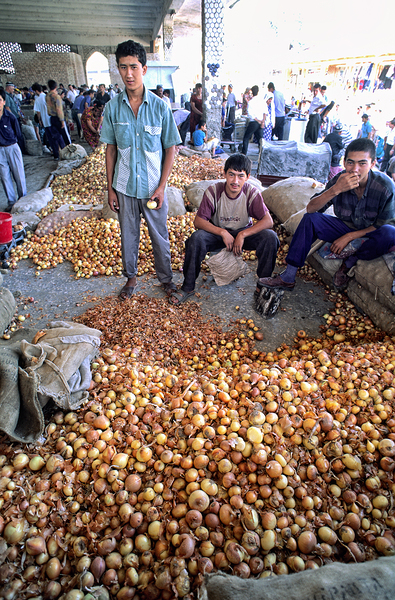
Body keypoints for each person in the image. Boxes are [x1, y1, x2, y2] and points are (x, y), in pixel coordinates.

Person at [100, 39, 181, 300]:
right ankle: (131, 279)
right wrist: (111, 188)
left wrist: (161, 187)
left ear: (144, 69)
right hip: (124, 186)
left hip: (152, 188)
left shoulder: (160, 107)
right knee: (129, 236)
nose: (129, 74)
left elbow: (171, 148)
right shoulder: (113, 107)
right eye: (123, 67)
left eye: (134, 67)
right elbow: (110, 150)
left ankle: (166, 279)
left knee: (160, 236)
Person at [258, 138, 395, 293]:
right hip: (345, 226)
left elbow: (384, 225)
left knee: (389, 233)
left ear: (372, 164)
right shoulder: (339, 180)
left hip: (371, 232)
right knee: (310, 220)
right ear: (344, 162)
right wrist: (335, 190)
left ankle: (349, 262)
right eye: (350, 162)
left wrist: (349, 237)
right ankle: (288, 277)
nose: (355, 169)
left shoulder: (385, 186)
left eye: (362, 163)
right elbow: (311, 209)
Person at [168, 153, 279, 305]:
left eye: (240, 176)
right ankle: (187, 287)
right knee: (196, 238)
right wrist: (222, 232)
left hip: (243, 235)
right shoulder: (214, 191)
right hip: (217, 234)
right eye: (231, 175)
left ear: (247, 177)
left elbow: (268, 221)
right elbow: (199, 221)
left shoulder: (252, 193)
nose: (235, 181)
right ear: (224, 174)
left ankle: (262, 286)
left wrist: (242, 234)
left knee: (270, 237)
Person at [0, 87, 27, 210]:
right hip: (0, 150)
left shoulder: (10, 117)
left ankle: (23, 200)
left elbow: (18, 133)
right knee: (5, 177)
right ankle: (11, 203)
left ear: (4, 102)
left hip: (12, 147)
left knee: (19, 175)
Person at [32, 82, 64, 159]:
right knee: (59, 137)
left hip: (46, 121)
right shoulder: (49, 96)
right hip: (53, 119)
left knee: (52, 139)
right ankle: (64, 152)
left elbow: (38, 112)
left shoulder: (38, 99)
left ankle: (56, 155)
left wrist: (39, 120)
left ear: (36, 91)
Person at [46, 79, 72, 150]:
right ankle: (70, 151)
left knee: (56, 137)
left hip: (52, 118)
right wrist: (62, 121)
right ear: (56, 86)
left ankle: (58, 153)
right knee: (65, 137)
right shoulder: (56, 96)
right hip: (58, 118)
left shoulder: (47, 96)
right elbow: (58, 109)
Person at [241, 85, 263, 155]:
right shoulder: (261, 101)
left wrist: (256, 120)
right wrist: (262, 121)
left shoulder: (251, 102)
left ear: (252, 92)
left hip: (254, 122)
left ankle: (244, 153)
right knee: (260, 138)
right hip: (260, 121)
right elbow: (265, 112)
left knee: (246, 137)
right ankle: (262, 152)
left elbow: (250, 114)